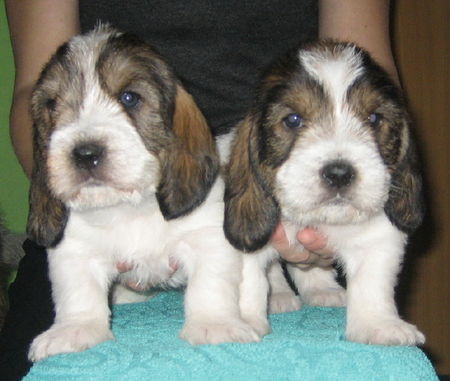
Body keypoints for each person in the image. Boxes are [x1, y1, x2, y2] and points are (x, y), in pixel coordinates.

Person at [1, 0, 400, 379]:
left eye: (128, 98)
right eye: (57, 107)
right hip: (104, 204)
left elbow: (371, 79)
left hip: (250, 183)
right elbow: (32, 94)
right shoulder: (76, 143)